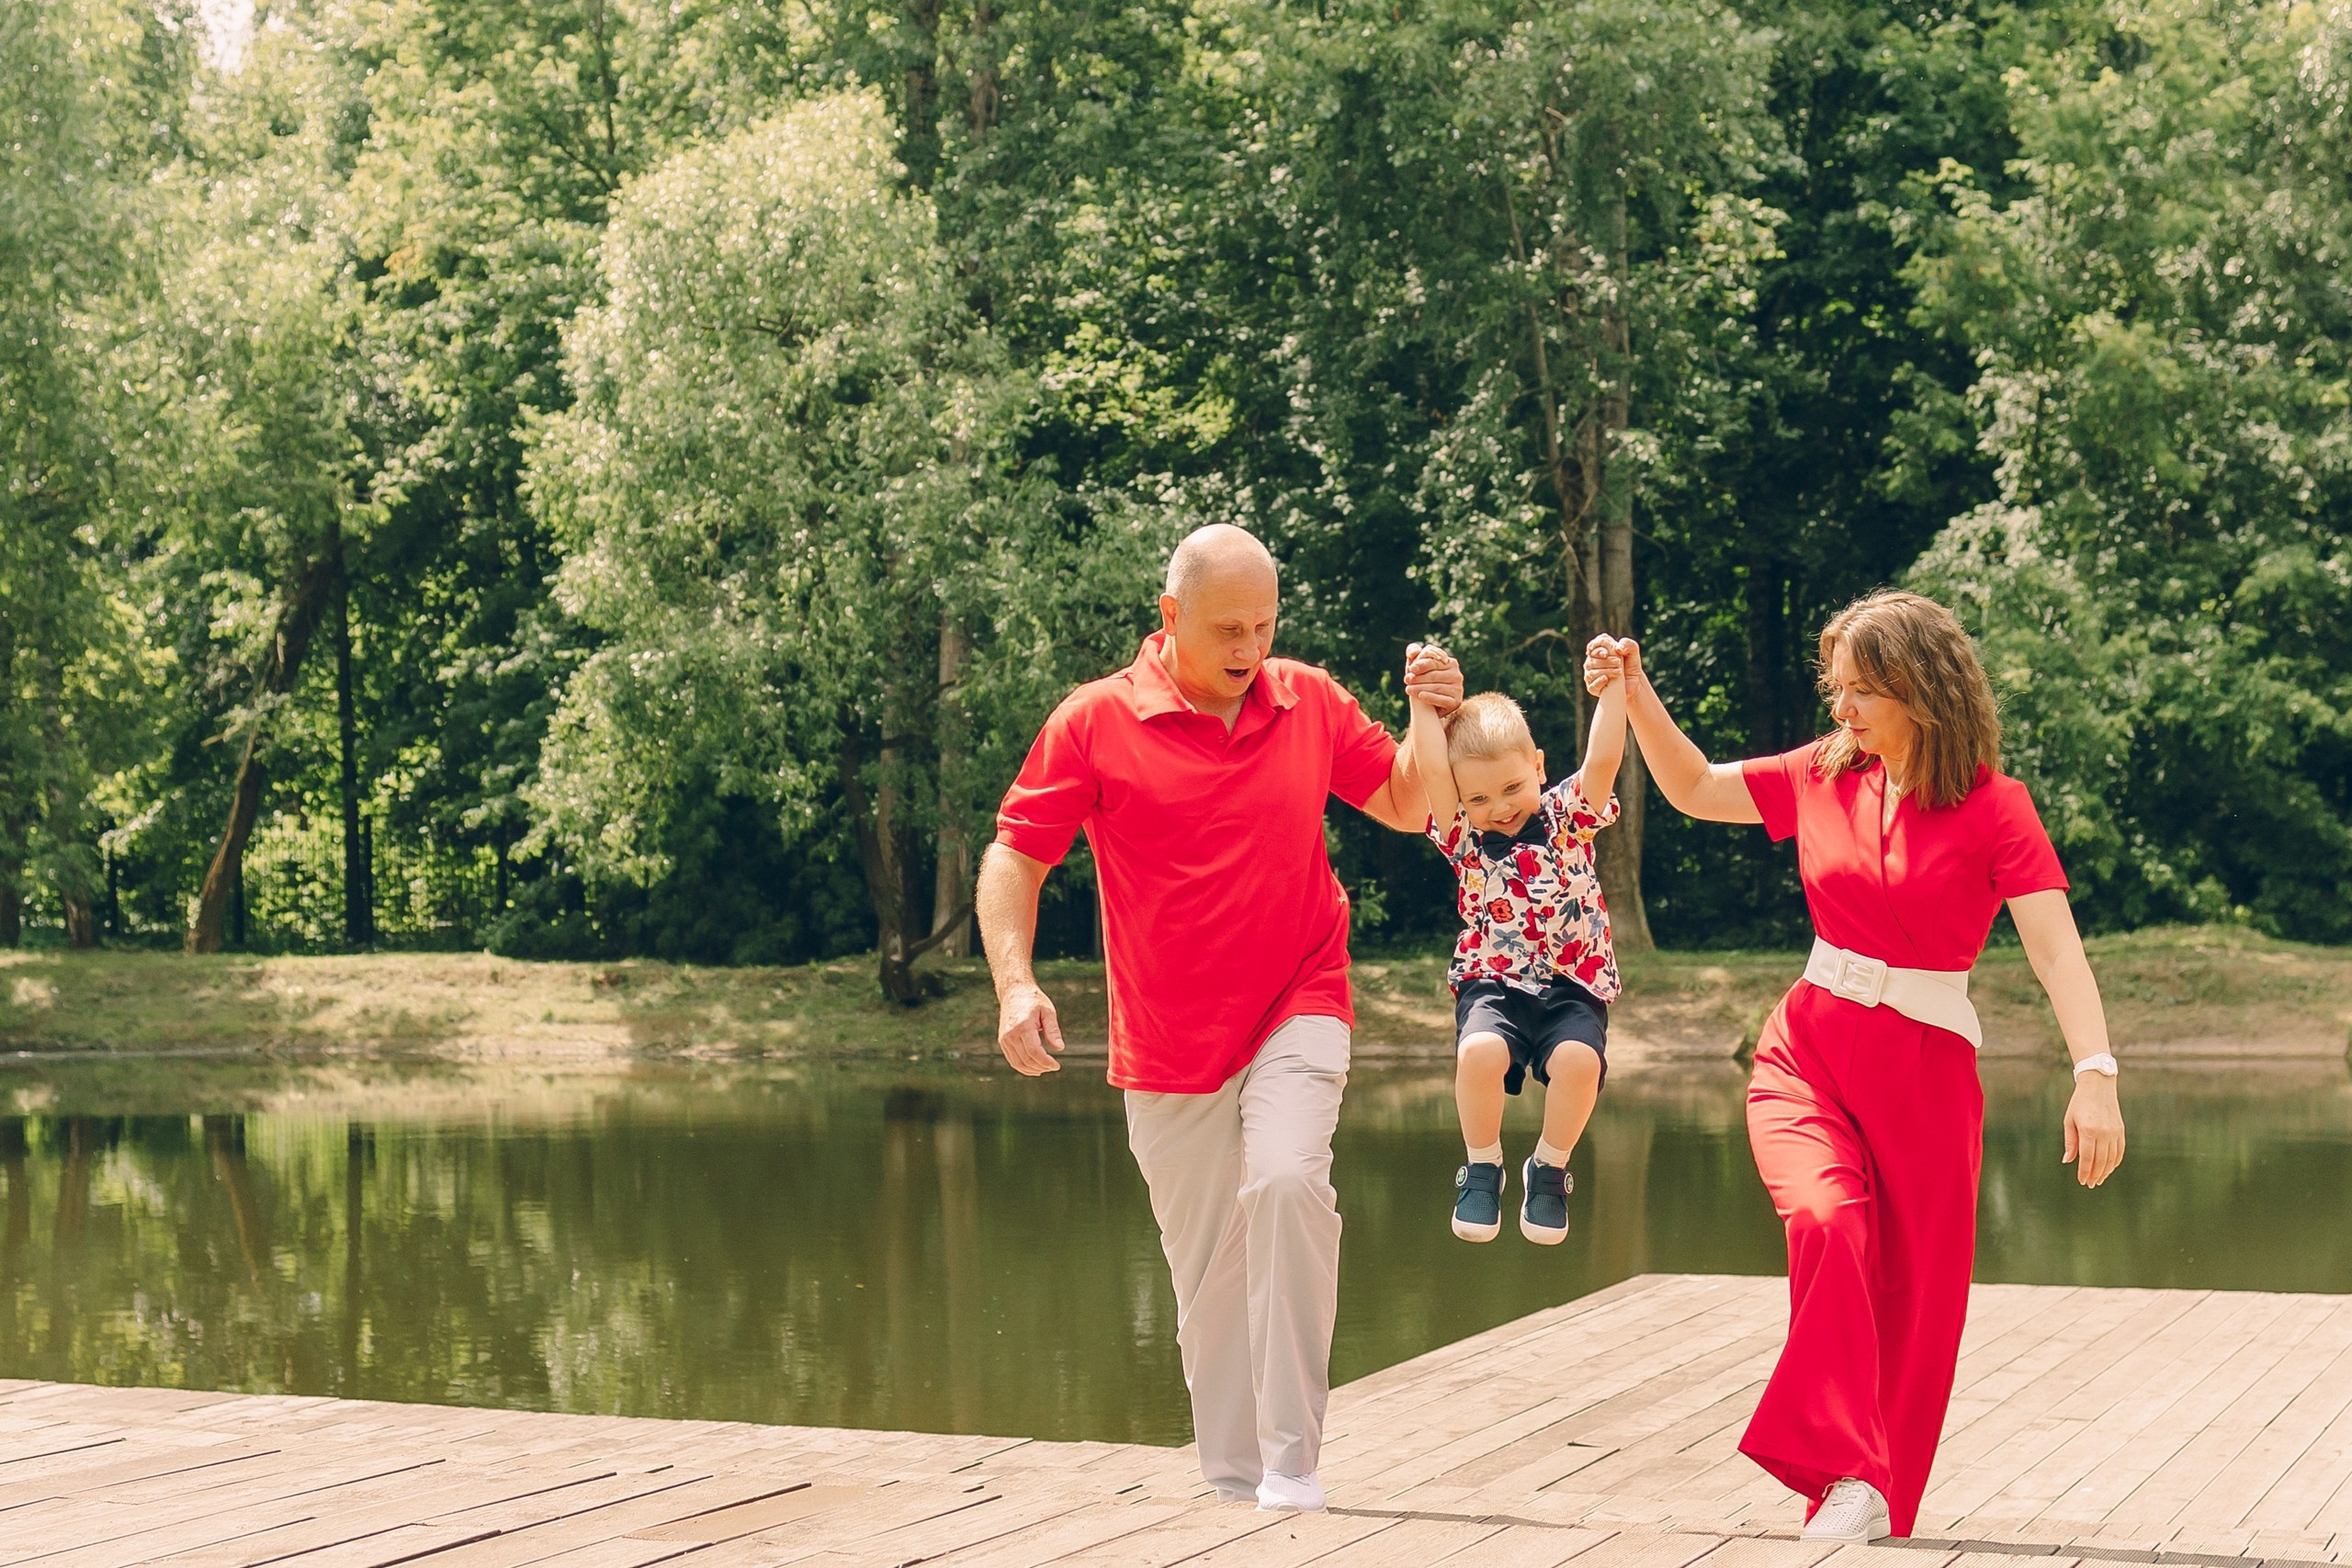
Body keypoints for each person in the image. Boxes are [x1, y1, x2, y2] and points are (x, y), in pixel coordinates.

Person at [1585, 591, 2127, 1544]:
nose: (1841, 709)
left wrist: (2095, 1071)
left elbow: (2055, 950)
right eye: (1835, 689)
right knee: (1826, 1221)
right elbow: (1693, 786)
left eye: (1861, 691)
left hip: (1924, 1079)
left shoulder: (1995, 807)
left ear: (1922, 688)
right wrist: (1635, 693)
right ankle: (1843, 1466)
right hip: (1805, 1054)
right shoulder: (1822, 771)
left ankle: (1871, 1492)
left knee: (1913, 1305)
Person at [977, 524, 1463, 1515]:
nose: (1251, 647)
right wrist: (1015, 984)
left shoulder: (1307, 700)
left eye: (1265, 625)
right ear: (1171, 616)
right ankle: (1238, 1486)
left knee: (1287, 1182)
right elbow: (1015, 855)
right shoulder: (1094, 721)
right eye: (1228, 629)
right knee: (1206, 1279)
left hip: (1300, 994)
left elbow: (1406, 802)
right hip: (1167, 1039)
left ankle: (1293, 1466)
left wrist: (1427, 716)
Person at [1405, 644, 1626, 1246]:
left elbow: (1604, 758)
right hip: (1494, 981)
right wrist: (1420, 698)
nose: (1498, 808)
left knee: (1579, 1063)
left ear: (1538, 766)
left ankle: (1548, 1168)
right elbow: (1432, 770)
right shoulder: (1464, 838)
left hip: (1572, 983)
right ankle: (1482, 1166)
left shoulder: (1567, 818)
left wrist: (1613, 687)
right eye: (1478, 798)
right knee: (1478, 1052)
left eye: (1510, 787)